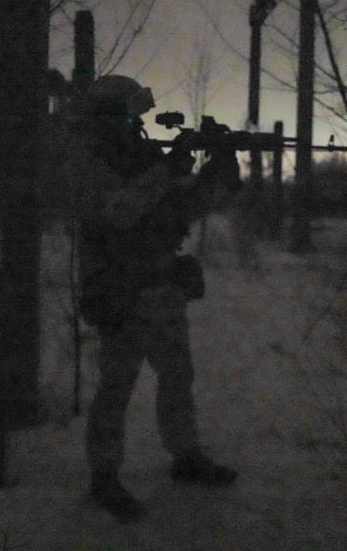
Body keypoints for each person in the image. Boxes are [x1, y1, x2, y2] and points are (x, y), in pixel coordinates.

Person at [75, 75, 239, 523]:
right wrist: (169, 169)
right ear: (108, 117)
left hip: (162, 286)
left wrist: (219, 165)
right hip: (121, 292)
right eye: (129, 114)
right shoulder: (92, 165)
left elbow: (184, 208)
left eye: (138, 114)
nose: (137, 122)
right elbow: (120, 213)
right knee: (116, 388)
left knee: (177, 376)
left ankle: (185, 455)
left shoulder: (148, 159)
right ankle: (104, 475)